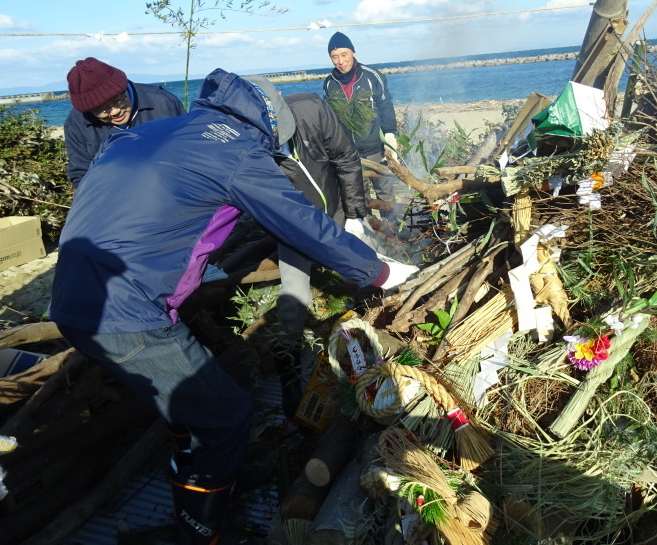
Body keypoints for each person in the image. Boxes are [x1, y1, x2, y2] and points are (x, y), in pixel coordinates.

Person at [49, 68, 417, 545]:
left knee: (193, 408)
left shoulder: (166, 130)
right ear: (268, 122)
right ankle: (202, 531)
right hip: (125, 313)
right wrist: (381, 272)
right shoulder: (236, 149)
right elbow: (302, 223)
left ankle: (221, 478)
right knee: (224, 415)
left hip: (76, 296)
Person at [234, 76, 371, 418]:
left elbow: (345, 157)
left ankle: (366, 357)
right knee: (294, 297)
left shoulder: (310, 109)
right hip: (293, 227)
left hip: (337, 212)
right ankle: (290, 387)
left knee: (361, 278)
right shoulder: (247, 147)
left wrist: (355, 215)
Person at [63, 57, 185, 188]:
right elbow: (81, 175)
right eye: (102, 109)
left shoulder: (164, 102)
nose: (115, 111)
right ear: (89, 110)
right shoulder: (76, 125)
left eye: (118, 100)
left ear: (123, 88)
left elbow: (191, 147)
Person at [323, 32, 400, 221]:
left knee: (385, 193)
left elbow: (385, 105)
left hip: (376, 149)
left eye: (344, 54)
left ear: (353, 53)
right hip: (349, 153)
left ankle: (394, 234)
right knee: (359, 198)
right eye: (335, 57)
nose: (341, 61)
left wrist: (390, 136)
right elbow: (329, 118)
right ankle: (371, 234)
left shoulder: (372, 76)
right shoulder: (329, 84)